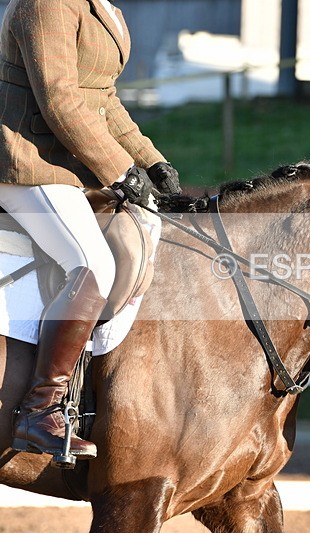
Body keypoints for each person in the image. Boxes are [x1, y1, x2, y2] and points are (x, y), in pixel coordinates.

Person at [0, 0, 180, 462]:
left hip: (68, 161)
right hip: (27, 160)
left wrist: (151, 159)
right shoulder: (46, 4)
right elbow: (59, 98)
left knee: (144, 231)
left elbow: (105, 97)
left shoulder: (106, 9)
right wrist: (120, 170)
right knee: (93, 262)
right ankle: (40, 410)